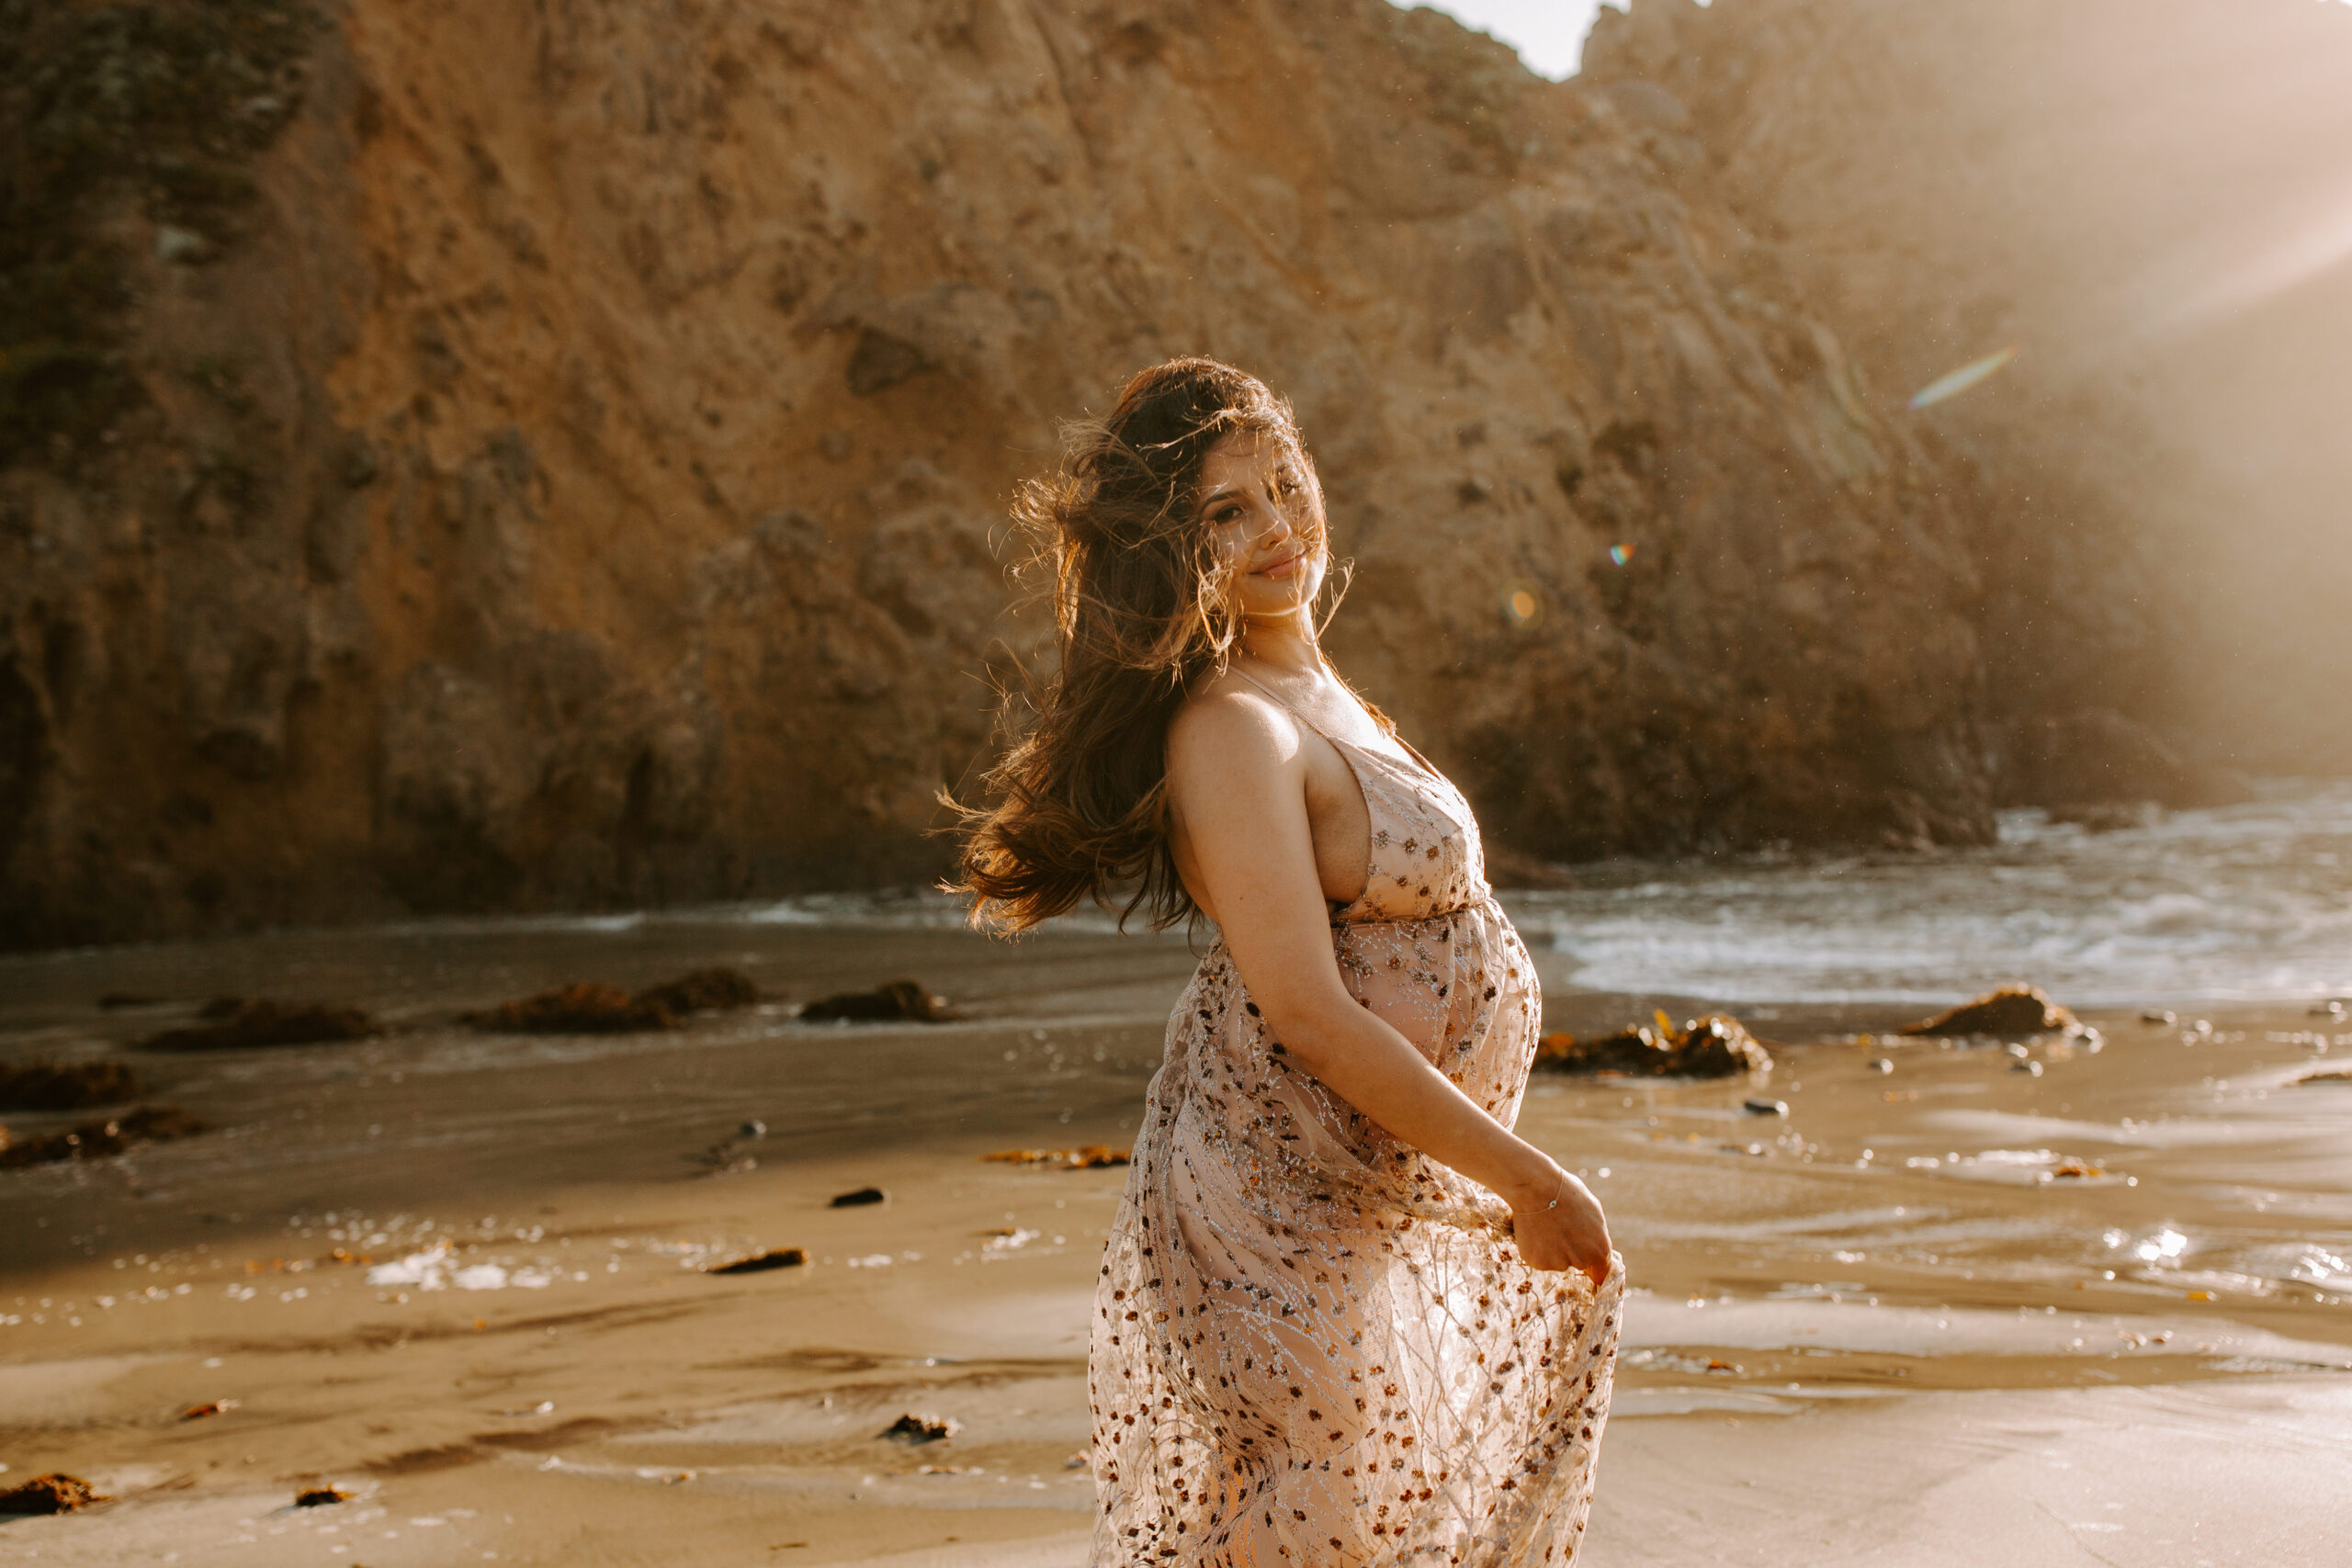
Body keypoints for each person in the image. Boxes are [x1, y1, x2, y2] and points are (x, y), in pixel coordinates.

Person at [953, 358, 1620, 1564]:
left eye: (1280, 485)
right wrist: (1523, 1178)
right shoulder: (1228, 727)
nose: (1274, 528)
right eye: (1225, 512)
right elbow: (1307, 1010)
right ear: (1175, 545)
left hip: (1354, 1210)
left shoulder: (1317, 693)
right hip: (1264, 1212)